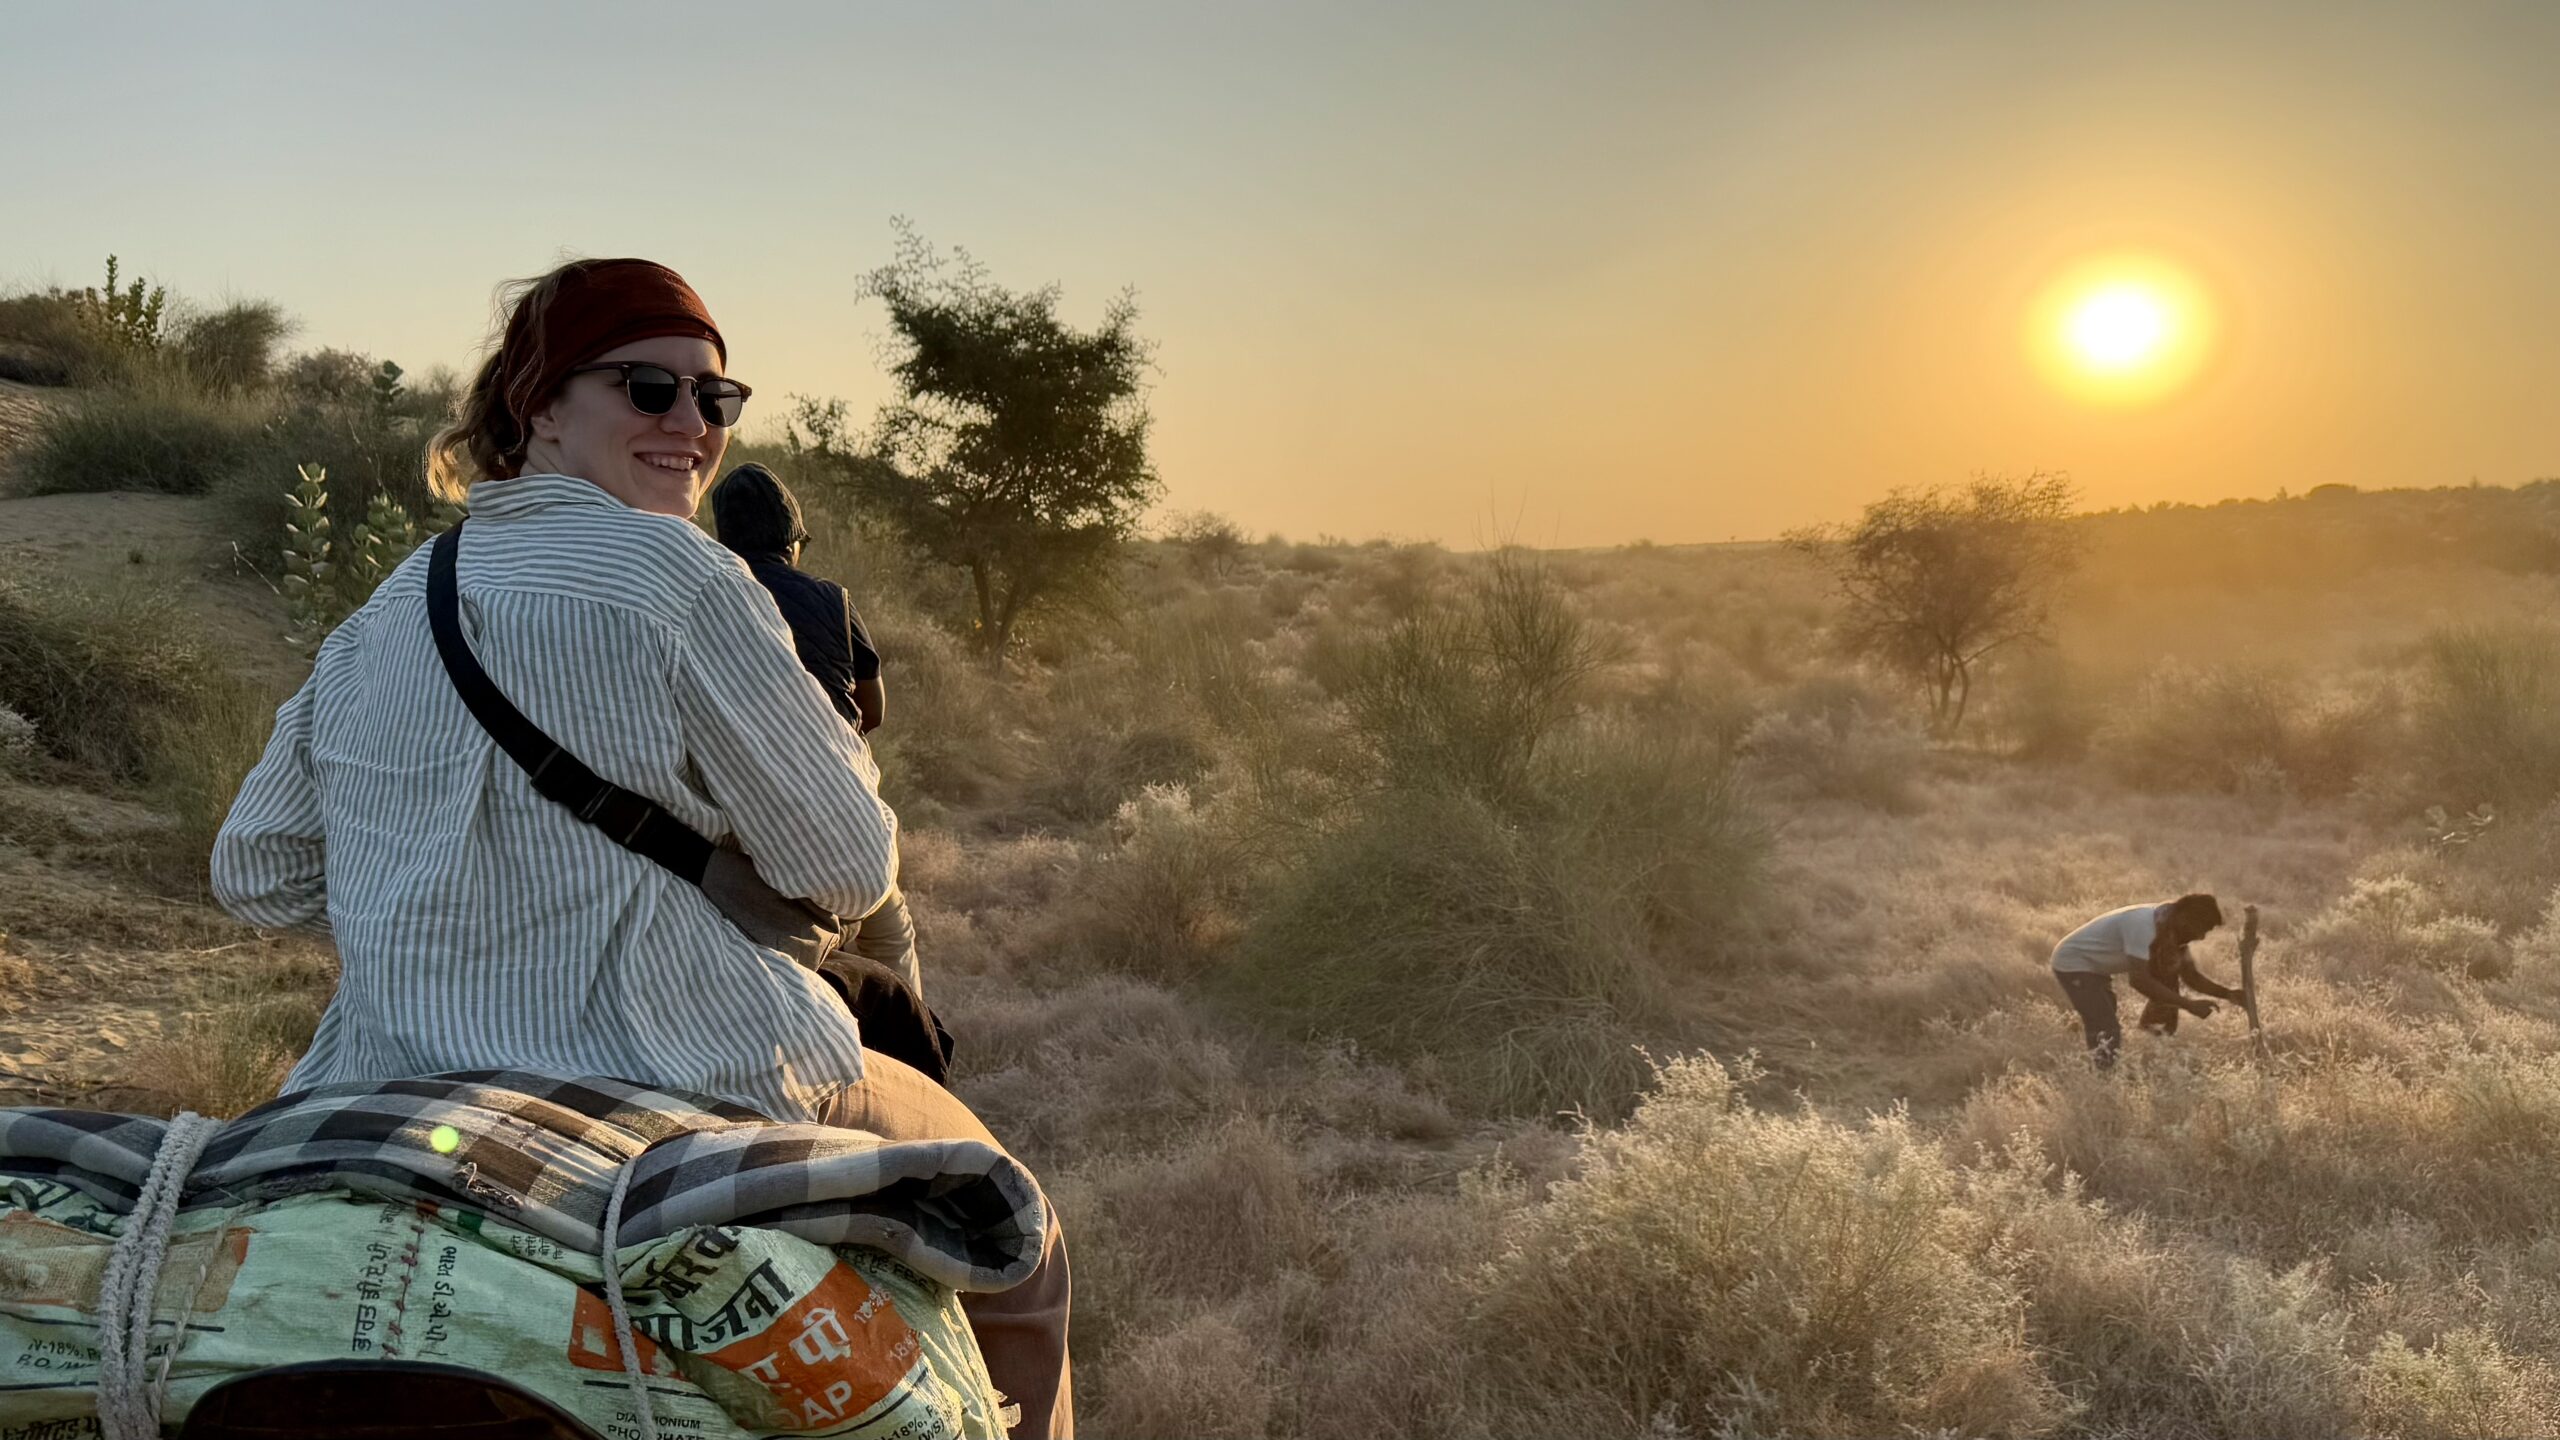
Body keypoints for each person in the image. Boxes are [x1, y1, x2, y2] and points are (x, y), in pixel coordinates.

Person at [210, 258, 1069, 1436]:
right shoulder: (679, 573)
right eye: (647, 388)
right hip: (688, 1071)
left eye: (717, 398)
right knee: (1022, 1242)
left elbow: (255, 869)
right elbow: (845, 869)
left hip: (388, 1081)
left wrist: (435, 895)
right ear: (538, 407)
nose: (691, 424)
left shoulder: (387, 607)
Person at [708, 462, 921, 1001]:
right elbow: (872, 711)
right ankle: (916, 1041)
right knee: (892, 937)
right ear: (792, 543)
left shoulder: (707, 598)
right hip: (834, 815)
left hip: (732, 820)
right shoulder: (832, 599)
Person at [2048, 893, 2241, 1068]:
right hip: (2074, 962)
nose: (2201, 937)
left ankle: (2111, 1055)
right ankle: (2102, 1080)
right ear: (2186, 918)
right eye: (2202, 929)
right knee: (2106, 1026)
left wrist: (2228, 994)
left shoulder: (2170, 929)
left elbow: (2191, 976)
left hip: (2097, 967)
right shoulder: (2143, 926)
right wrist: (2188, 1005)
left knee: (2103, 1017)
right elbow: (2139, 980)